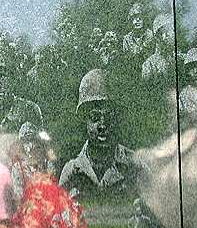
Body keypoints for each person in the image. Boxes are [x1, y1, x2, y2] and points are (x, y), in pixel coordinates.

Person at [59, 69, 139, 199]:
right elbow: (57, 216)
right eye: (95, 117)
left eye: (109, 117)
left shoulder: (135, 166)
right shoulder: (71, 172)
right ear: (85, 120)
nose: (102, 125)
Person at [142, 14, 174, 80]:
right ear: (157, 37)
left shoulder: (179, 58)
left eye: (171, 30)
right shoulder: (149, 64)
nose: (168, 35)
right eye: (164, 31)